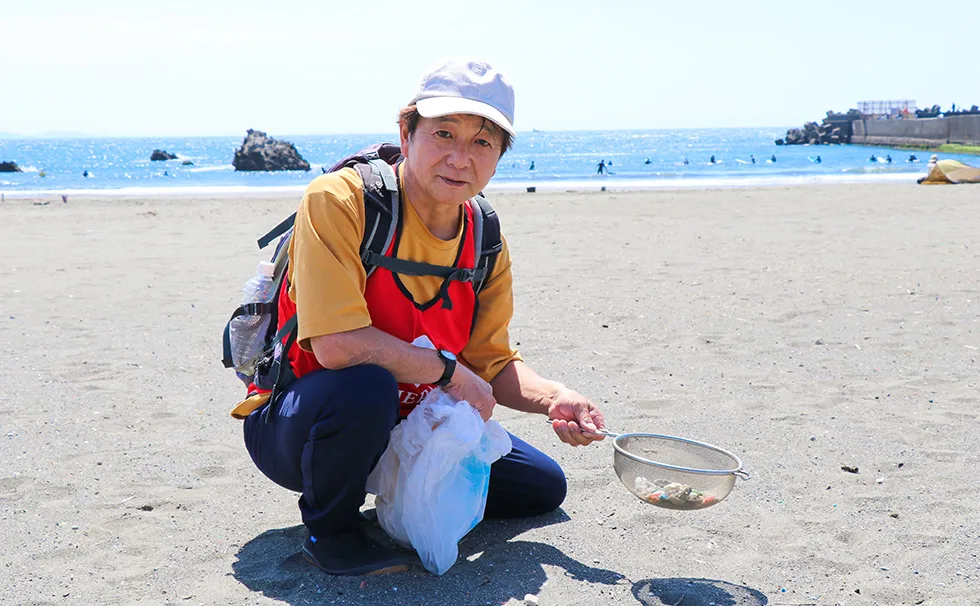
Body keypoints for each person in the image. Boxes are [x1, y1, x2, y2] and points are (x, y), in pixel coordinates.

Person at [234, 59, 606, 577]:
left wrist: (555, 398)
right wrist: (451, 373)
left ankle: (392, 495)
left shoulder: (484, 240)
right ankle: (332, 532)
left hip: (408, 422)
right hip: (303, 421)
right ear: (406, 134)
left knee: (541, 486)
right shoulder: (341, 201)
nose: (460, 158)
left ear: (498, 157)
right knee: (364, 384)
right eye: (443, 134)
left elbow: (491, 363)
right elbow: (337, 347)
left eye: (482, 143)